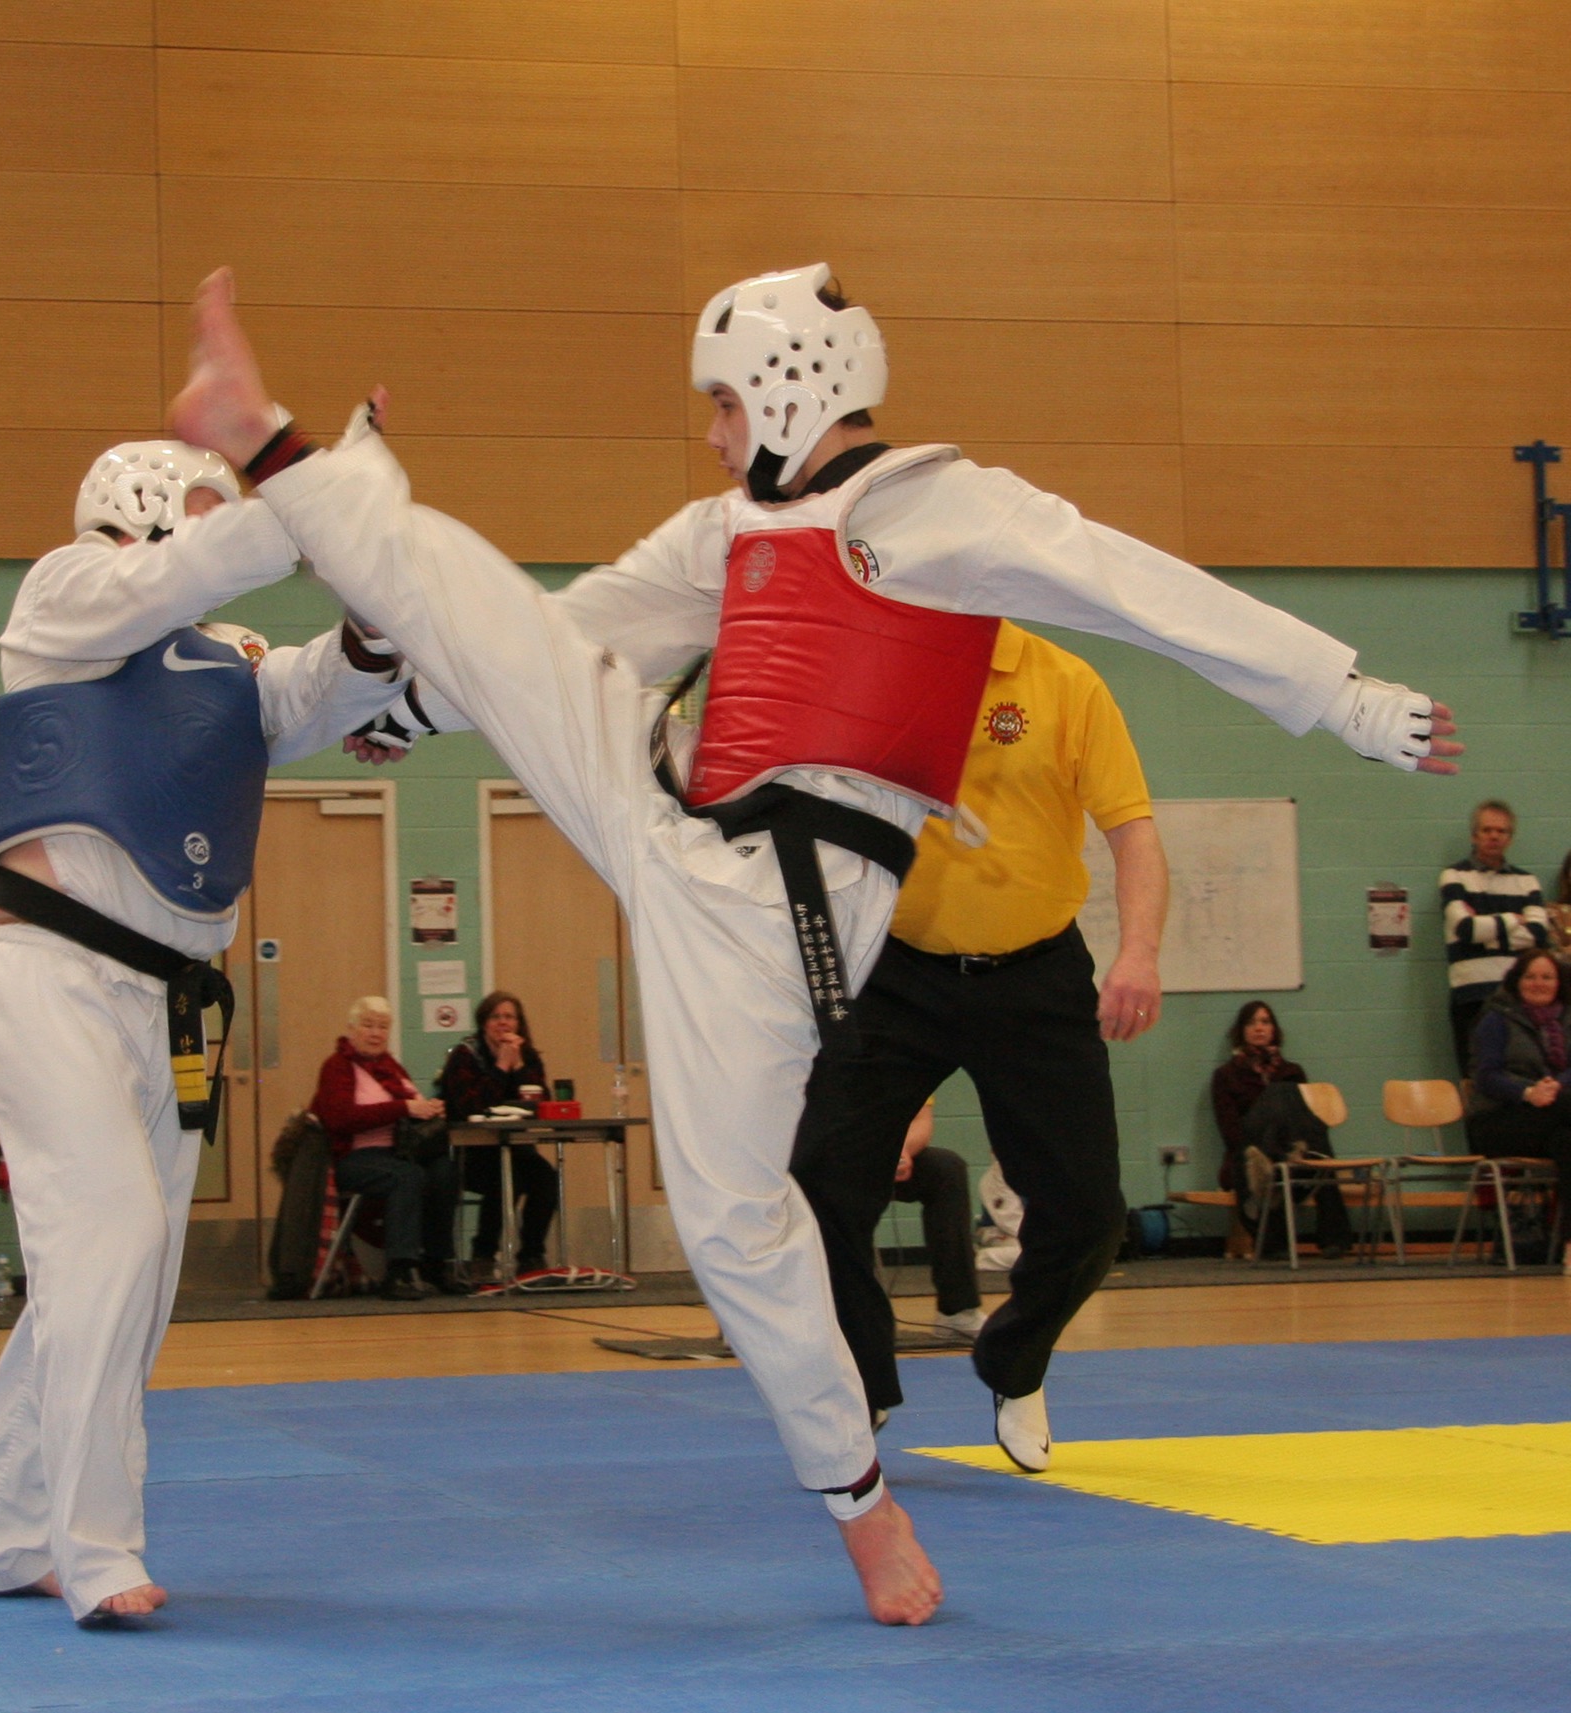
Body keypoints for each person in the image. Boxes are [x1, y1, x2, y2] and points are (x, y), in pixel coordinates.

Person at [170, 261, 1459, 1626]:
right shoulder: (723, 530)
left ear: (795, 387)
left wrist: (1343, 697)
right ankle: (267, 440)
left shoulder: (940, 511)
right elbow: (580, 629)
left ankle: (861, 1504)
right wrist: (417, 711)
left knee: (732, 1223)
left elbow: (1135, 585)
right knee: (483, 600)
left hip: (769, 915)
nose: (714, 433)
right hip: (663, 797)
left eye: (725, 405)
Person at [0, 440, 411, 1625]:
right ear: (140, 502)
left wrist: (368, 597)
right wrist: (303, 499)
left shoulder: (231, 656)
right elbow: (173, 578)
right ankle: (95, 1550)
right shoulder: (66, 598)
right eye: (205, 505)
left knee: (118, 1274)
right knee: (110, 1234)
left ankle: (1, 1536)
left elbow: (326, 687)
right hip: (45, 962)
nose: (220, 527)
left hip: (164, 998)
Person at [789, 620, 1165, 1469]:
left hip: (1036, 976)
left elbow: (1133, 829)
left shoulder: (1066, 682)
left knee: (1090, 1215)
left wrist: (1139, 951)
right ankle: (862, 1380)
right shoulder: (879, 669)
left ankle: (1015, 1361)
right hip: (896, 972)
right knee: (818, 1181)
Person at [309, 995, 462, 1298]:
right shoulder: (337, 1066)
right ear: (352, 1029)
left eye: (382, 1027)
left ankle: (436, 1263)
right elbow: (340, 1118)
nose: (375, 1033)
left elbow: (411, 1107)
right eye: (368, 1025)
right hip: (353, 1157)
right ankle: (399, 1270)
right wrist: (403, 1108)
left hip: (396, 1152)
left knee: (445, 1171)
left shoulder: (391, 1067)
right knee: (406, 1176)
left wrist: (429, 1109)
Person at [1210, 1000, 1352, 1258]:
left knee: (1315, 1140)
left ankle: (1327, 1238)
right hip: (1249, 1158)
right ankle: (1335, 1236)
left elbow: (1306, 1123)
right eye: (1251, 1023)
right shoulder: (1226, 1075)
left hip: (1292, 1154)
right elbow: (1231, 1133)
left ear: (1274, 1029)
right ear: (1241, 1030)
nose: (1259, 1028)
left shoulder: (1292, 1071)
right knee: (1281, 1092)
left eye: (1265, 1022)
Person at [440, 990, 558, 1277]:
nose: (503, 1023)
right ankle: (483, 1254)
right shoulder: (464, 1056)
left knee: (546, 1178)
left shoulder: (527, 1056)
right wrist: (501, 1067)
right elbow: (472, 1106)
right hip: (473, 1152)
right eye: (495, 1017)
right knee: (508, 1177)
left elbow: (541, 1104)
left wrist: (519, 1067)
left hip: (516, 1146)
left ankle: (531, 1254)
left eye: (509, 1017)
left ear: (519, 1023)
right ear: (484, 1023)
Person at [1441, 801, 1549, 1073]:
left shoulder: (1527, 881)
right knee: (1476, 1077)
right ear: (1474, 835)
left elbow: (1538, 935)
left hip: (1517, 997)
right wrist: (1513, 920)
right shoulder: (1454, 876)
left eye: (1501, 831)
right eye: (1487, 830)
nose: (1494, 836)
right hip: (1472, 996)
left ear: (1510, 838)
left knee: (1519, 1076)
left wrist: (1485, 930)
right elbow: (1466, 930)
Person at [1465, 950, 1571, 1190]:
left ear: (1559, 983)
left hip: (1553, 1113)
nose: (1538, 983)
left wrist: (1556, 1086)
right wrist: (1529, 1092)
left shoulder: (1567, 1019)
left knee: (1566, 1143)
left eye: (1547, 977)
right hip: (1499, 1119)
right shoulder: (1495, 1020)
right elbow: (1486, 1077)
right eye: (1530, 977)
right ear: (1517, 981)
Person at [885, 1101, 984, 1344]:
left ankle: (956, 1311)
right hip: (833, 1158)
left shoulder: (909, 1074)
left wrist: (901, 1151)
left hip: (881, 1154)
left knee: (946, 1169)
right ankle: (850, 1316)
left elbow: (921, 1119)